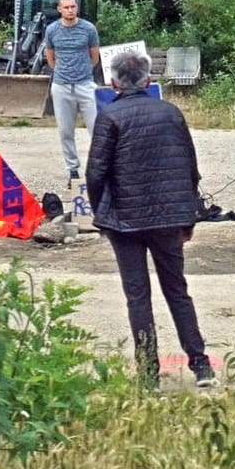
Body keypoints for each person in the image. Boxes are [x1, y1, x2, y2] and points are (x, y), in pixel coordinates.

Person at [86, 51, 215, 389]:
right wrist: (190, 216)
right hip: (170, 217)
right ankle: (201, 365)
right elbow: (190, 168)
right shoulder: (171, 113)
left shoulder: (109, 117)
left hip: (124, 219)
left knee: (137, 295)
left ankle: (149, 375)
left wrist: (102, 214)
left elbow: (96, 172)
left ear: (113, 82)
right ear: (149, 81)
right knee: (177, 290)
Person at [43, 0, 100, 181]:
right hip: (62, 84)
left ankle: (98, 166)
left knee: (96, 127)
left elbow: (95, 57)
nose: (70, 10)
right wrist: (61, 71)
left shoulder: (89, 29)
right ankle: (72, 167)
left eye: (72, 7)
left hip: (85, 83)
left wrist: (83, 71)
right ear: (59, 9)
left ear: (77, 8)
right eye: (66, 7)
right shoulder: (52, 30)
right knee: (66, 130)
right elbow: (50, 57)